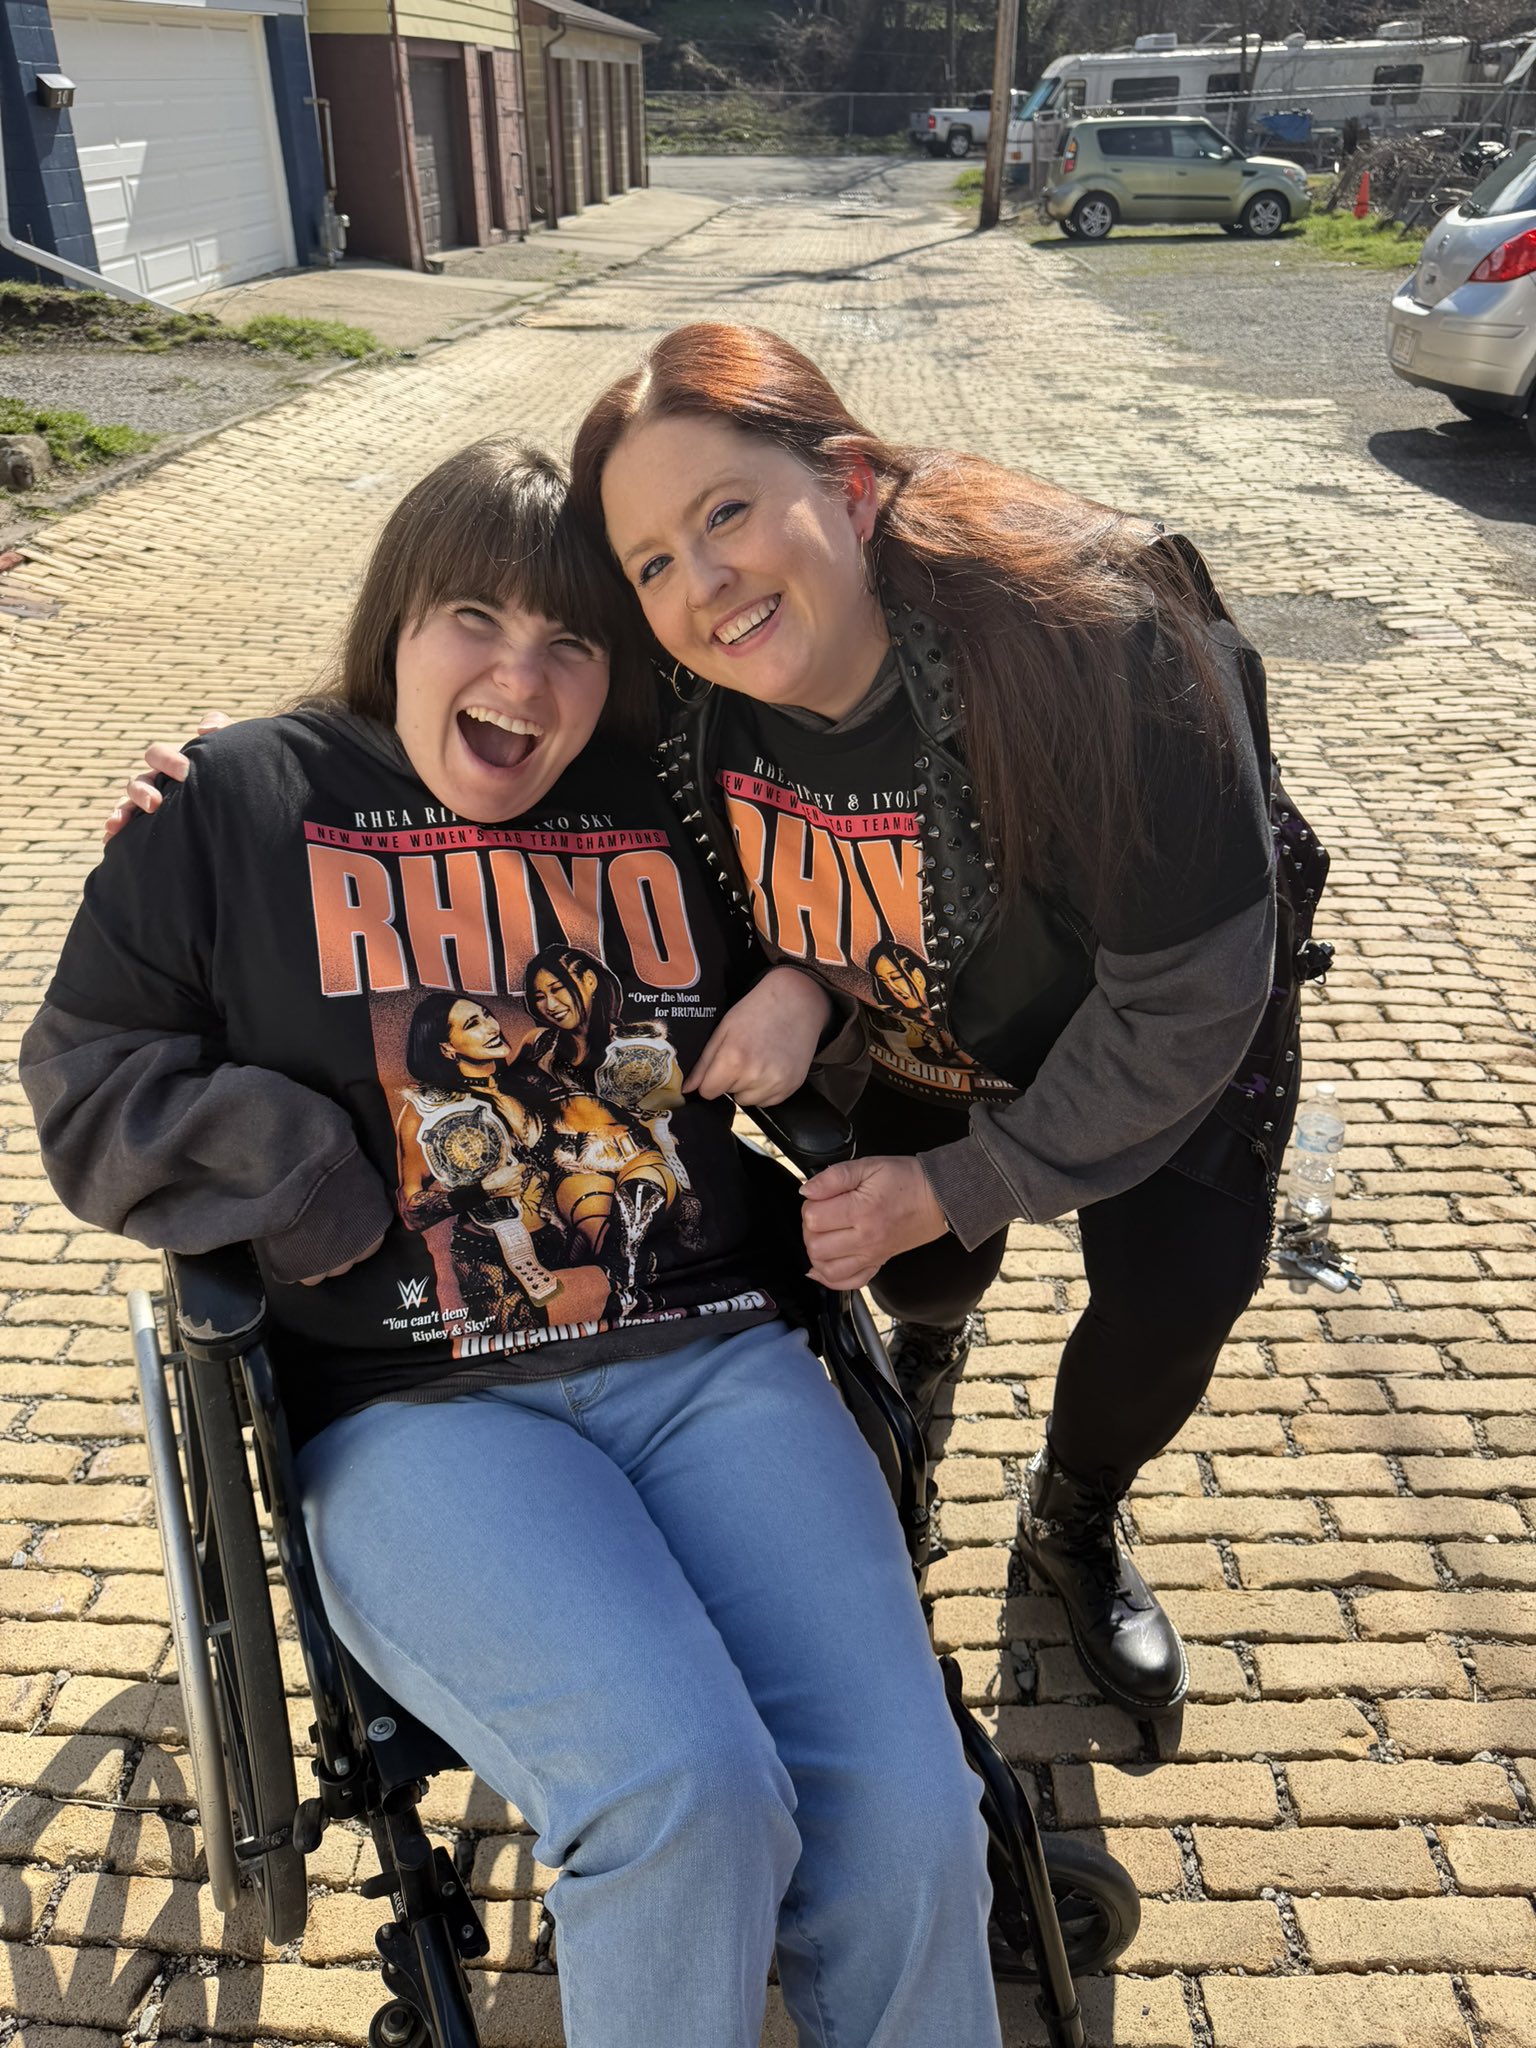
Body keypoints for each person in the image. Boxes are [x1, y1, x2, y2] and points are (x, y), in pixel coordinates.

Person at [23, 438, 1003, 2048]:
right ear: (395, 620)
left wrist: (803, 988)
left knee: (909, 1808)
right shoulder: (237, 803)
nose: (520, 681)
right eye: (472, 618)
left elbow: (861, 894)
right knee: (683, 1788)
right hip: (416, 1407)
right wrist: (297, 1168)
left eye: (570, 643)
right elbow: (89, 1078)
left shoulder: (675, 799)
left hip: (714, 1357)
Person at [567, 322, 1303, 1720]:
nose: (701, 585)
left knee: (1175, 1296)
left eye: (726, 513)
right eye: (650, 561)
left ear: (849, 485)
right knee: (913, 1272)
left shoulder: (1100, 645)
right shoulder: (684, 694)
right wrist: (232, 791)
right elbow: (490, 702)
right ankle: (931, 1360)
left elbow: (1186, 997)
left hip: (1159, 1035)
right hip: (919, 1026)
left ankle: (1073, 1512)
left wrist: (971, 1177)